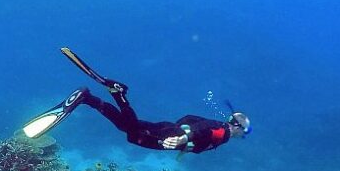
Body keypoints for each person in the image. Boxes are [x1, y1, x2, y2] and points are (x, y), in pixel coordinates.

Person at [23, 48, 252, 153]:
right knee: (133, 134)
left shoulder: (218, 125)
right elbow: (202, 130)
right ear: (238, 127)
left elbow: (192, 118)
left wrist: (180, 132)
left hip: (169, 128)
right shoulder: (224, 133)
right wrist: (182, 137)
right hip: (170, 134)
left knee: (127, 127)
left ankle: (88, 99)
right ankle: (119, 94)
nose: (244, 136)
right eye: (247, 132)